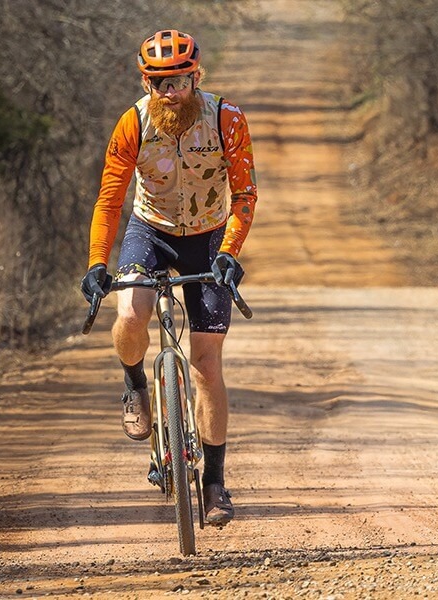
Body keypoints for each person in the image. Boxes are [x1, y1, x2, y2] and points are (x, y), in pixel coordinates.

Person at [80, 29, 258, 526]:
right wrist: (97, 263)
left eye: (180, 81)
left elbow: (244, 195)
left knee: (206, 362)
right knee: (131, 316)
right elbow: (110, 200)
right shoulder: (131, 125)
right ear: (146, 82)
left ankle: (215, 483)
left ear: (196, 76)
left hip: (208, 234)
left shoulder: (227, 119)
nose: (170, 92)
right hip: (149, 230)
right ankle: (135, 382)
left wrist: (229, 252)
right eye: (160, 83)